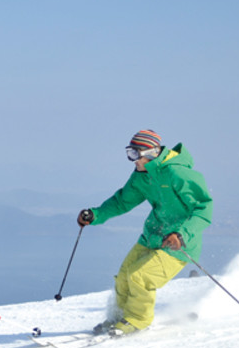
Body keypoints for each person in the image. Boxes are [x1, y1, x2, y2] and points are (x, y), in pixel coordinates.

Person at [77, 130, 212, 336]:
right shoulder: (142, 175)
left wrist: (181, 234)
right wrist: (95, 215)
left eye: (134, 154)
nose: (132, 160)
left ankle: (137, 320)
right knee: (124, 276)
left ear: (151, 152)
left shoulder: (178, 174)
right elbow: (122, 201)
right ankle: (118, 317)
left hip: (177, 244)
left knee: (140, 277)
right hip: (153, 236)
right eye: (129, 154)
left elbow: (203, 208)